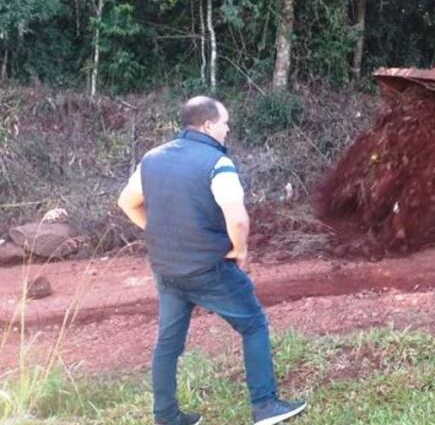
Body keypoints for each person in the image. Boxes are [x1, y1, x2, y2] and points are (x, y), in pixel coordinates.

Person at [117, 96, 307, 425]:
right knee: (254, 325)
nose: (228, 128)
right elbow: (238, 220)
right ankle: (265, 405)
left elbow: (127, 203)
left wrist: (162, 232)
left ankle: (166, 416)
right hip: (209, 268)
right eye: (225, 123)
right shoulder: (217, 162)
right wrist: (240, 250)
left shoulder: (152, 158)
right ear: (207, 125)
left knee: (167, 344)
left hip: (166, 268)